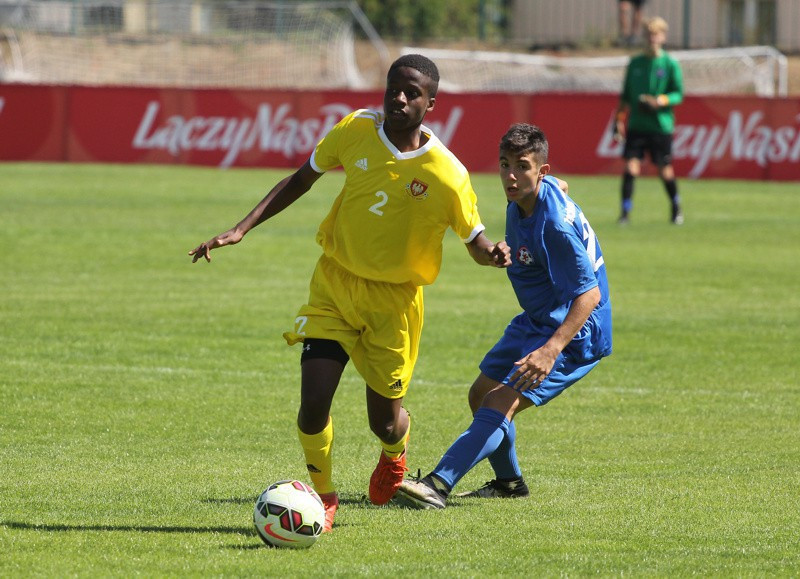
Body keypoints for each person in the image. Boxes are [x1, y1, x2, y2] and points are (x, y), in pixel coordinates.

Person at [188, 54, 511, 531]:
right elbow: (302, 177)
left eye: (413, 93)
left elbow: (474, 240)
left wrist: (493, 254)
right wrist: (241, 229)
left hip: (394, 303)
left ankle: (394, 453)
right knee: (313, 401)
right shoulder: (356, 129)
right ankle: (323, 497)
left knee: (384, 421)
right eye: (394, 88)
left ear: (432, 103)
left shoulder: (448, 173)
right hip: (335, 284)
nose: (399, 98)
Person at [394, 123, 612, 509]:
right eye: (504, 164)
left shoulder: (555, 227)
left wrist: (551, 350)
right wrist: (505, 249)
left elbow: (589, 294)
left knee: (499, 401)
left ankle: (437, 484)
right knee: (480, 395)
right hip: (538, 316)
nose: (510, 176)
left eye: (521, 166)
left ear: (539, 171)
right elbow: (559, 187)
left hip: (574, 331)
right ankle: (509, 483)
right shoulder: (534, 192)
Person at [613, 16, 684, 225]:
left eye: (656, 34)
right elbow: (625, 96)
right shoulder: (635, 64)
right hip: (637, 125)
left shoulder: (670, 64)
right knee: (630, 168)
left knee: (664, 170)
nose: (652, 38)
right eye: (649, 34)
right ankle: (625, 213)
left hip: (660, 126)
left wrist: (660, 101)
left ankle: (676, 206)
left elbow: (678, 94)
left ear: (663, 36)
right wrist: (618, 120)